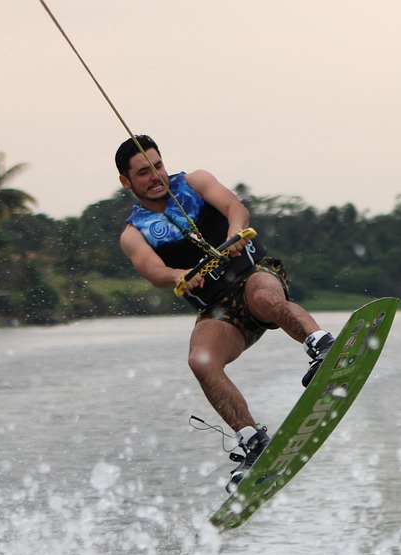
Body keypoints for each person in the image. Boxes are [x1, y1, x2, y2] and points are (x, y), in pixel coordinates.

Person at [115, 135, 335, 491]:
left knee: (264, 299)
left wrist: (235, 235)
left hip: (253, 278)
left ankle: (322, 345)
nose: (156, 176)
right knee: (201, 361)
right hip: (219, 309)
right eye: (144, 172)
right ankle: (252, 440)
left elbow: (236, 208)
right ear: (127, 182)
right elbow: (153, 271)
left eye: (158, 165)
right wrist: (179, 276)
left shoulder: (196, 182)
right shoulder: (133, 234)